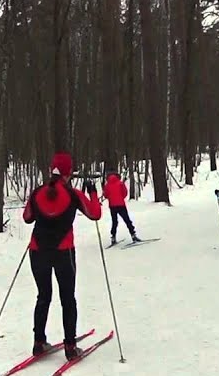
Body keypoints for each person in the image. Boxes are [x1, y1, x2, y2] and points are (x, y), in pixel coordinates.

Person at [22, 152, 102, 359]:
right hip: (63, 252)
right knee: (68, 298)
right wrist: (93, 193)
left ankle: (38, 342)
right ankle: (70, 347)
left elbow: (27, 218)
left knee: (43, 296)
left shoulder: (37, 192)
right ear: (69, 173)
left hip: (37, 251)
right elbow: (95, 214)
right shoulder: (73, 194)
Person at [102, 172, 140, 245]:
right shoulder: (120, 183)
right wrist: (120, 198)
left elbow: (105, 195)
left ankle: (113, 237)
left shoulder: (107, 185)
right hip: (121, 205)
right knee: (127, 220)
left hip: (112, 206)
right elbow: (125, 193)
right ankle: (133, 235)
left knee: (114, 222)